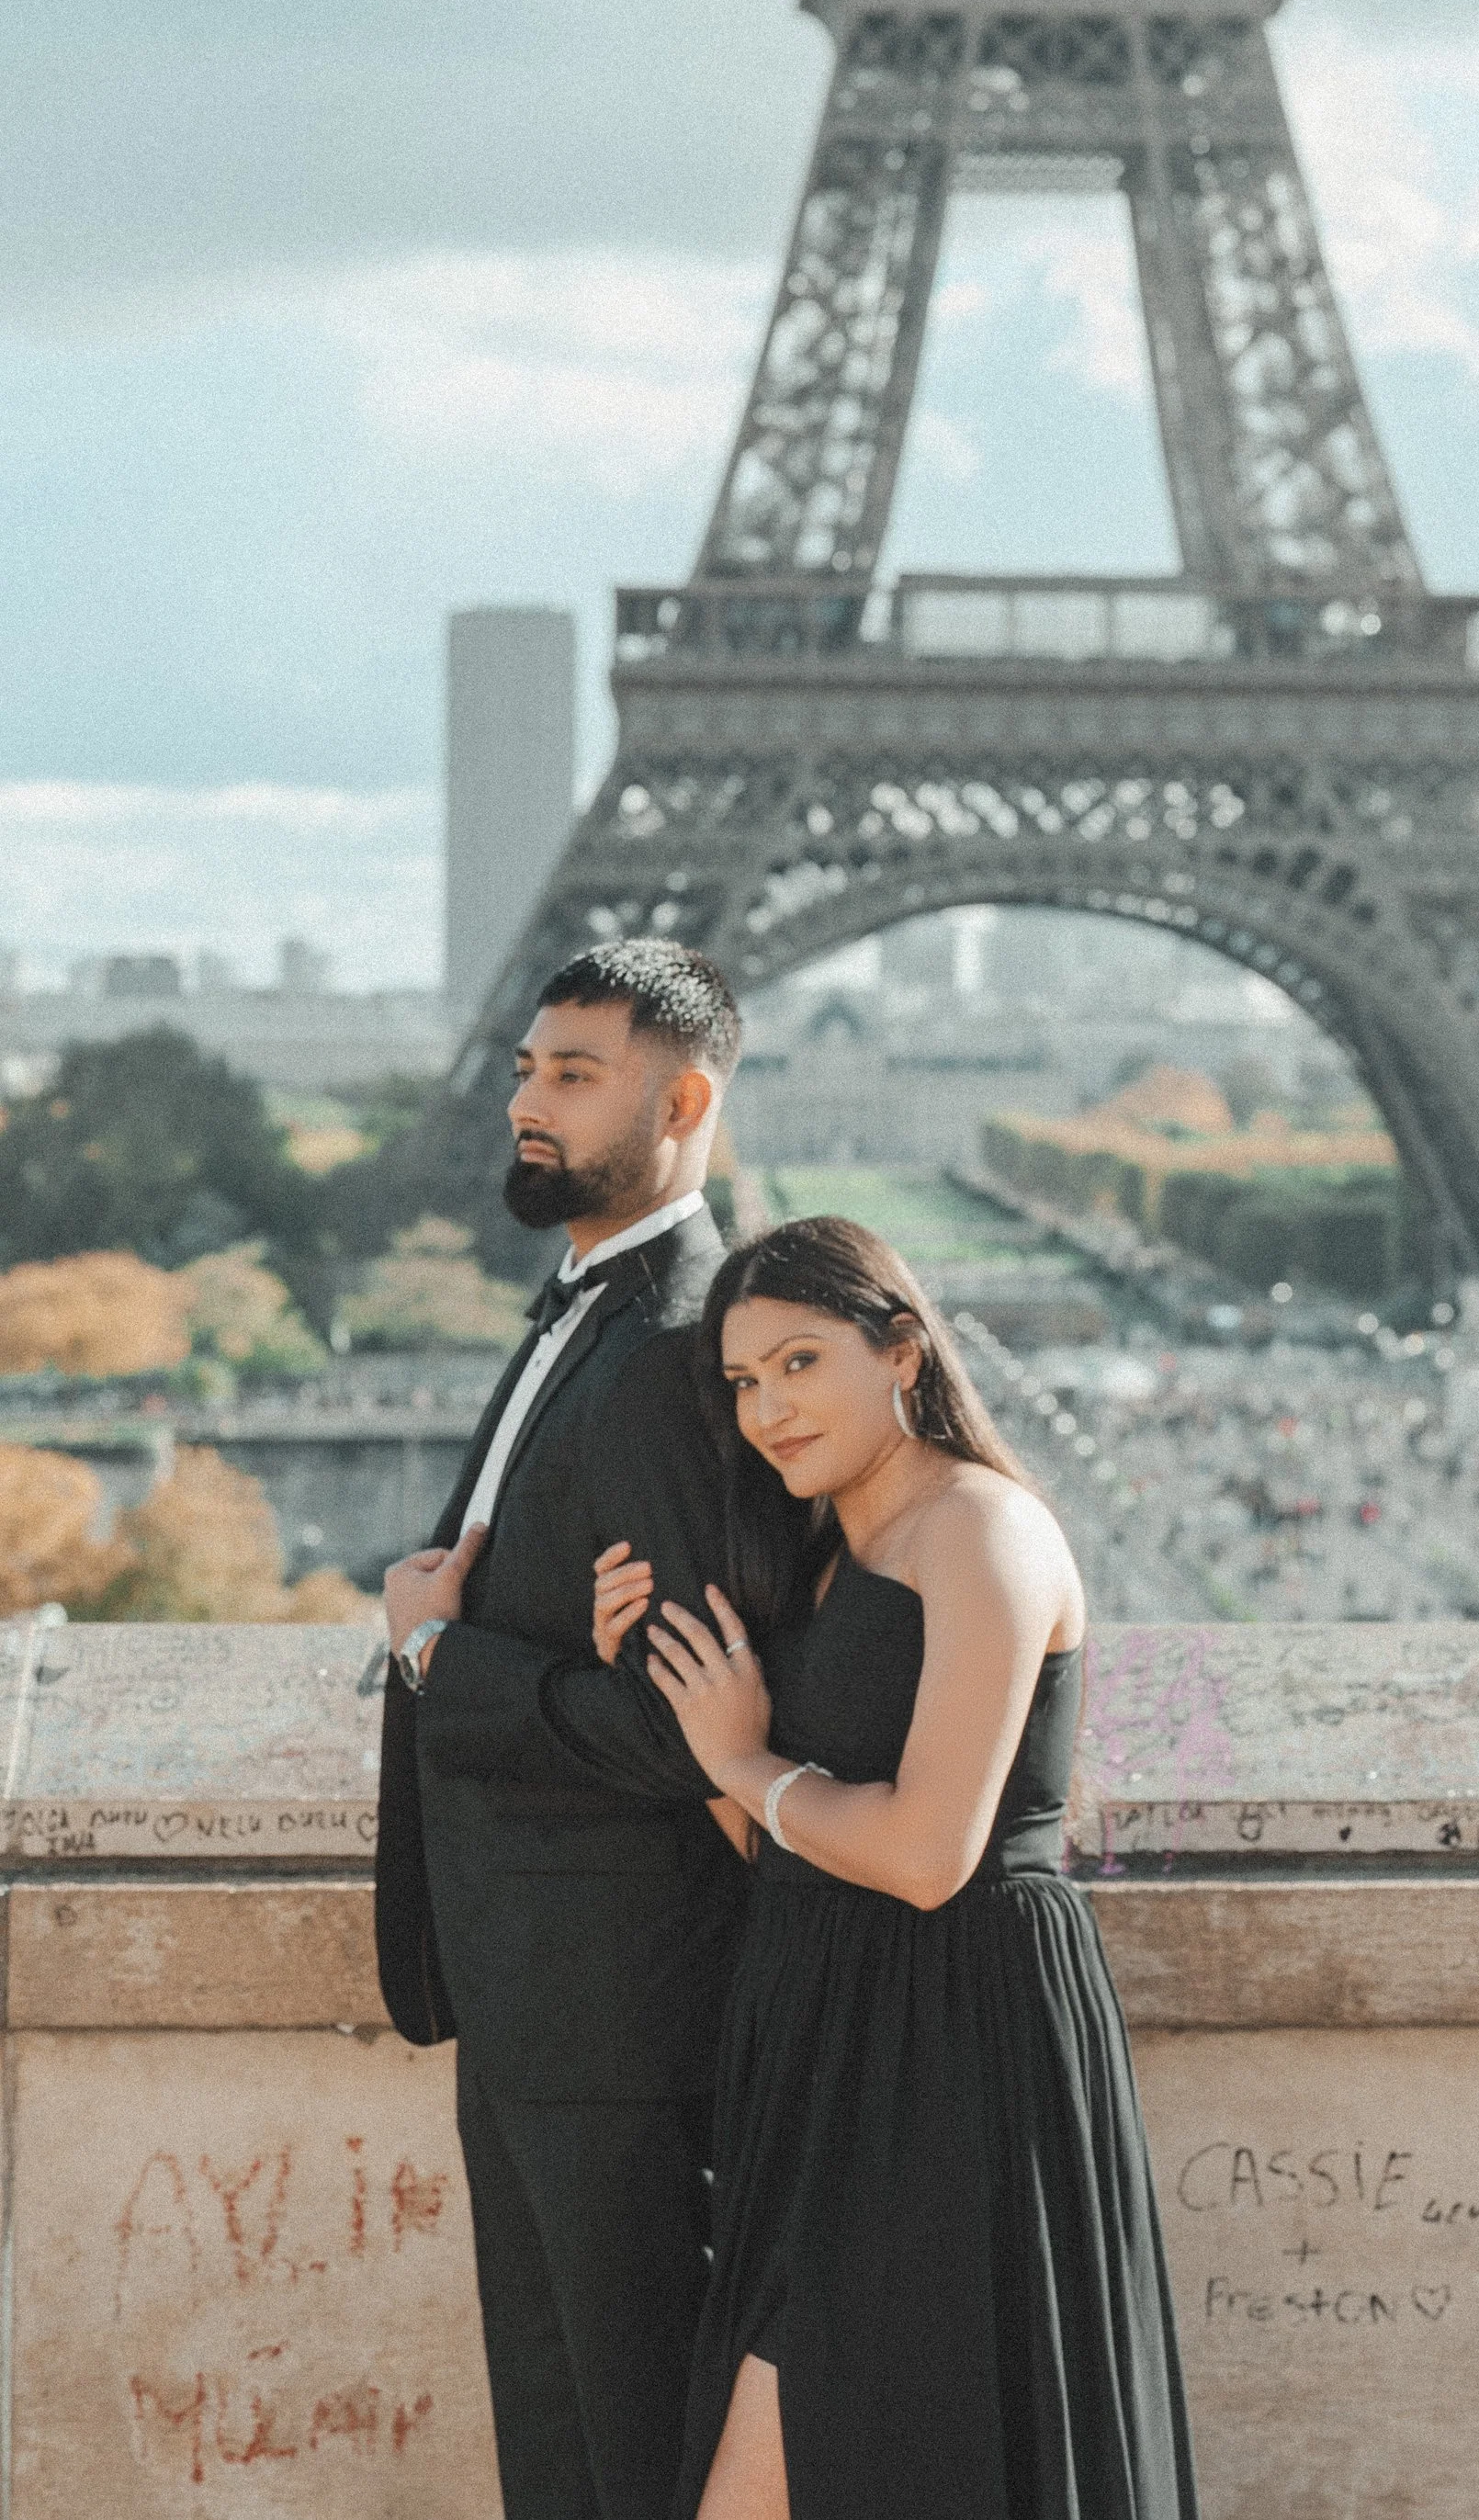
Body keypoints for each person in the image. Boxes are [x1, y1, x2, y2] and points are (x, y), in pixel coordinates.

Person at [589, 1214, 1197, 2520]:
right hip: (826, 2052)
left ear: (902, 1348)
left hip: (954, 2047)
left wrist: (746, 1761)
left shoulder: (983, 1530)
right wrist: (668, 1697)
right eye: (744, 1380)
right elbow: (778, 1848)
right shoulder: (818, 1555)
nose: (767, 1409)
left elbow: (927, 1854)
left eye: (801, 1362)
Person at [375, 937, 751, 2520]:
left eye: (572, 1075)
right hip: (541, 1997)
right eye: (529, 1067)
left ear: (684, 1099)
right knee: (569, 2449)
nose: (527, 1100)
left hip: (615, 2020)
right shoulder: (591, 1310)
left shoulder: (676, 1351)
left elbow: (686, 1730)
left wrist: (439, 1653)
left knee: (625, 2447)